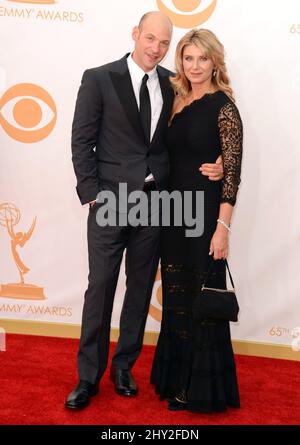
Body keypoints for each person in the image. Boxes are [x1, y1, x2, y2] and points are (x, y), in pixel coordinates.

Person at [66, 12, 223, 410]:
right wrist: (92, 194)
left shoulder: (175, 84)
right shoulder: (100, 77)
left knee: (138, 291)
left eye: (164, 43)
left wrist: (219, 163)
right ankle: (88, 377)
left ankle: (123, 368)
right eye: (150, 38)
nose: (156, 48)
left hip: (155, 204)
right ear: (136, 34)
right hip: (109, 202)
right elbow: (81, 139)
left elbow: (193, 134)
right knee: (99, 288)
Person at [151, 28, 243, 413]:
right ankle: (176, 379)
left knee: (200, 296)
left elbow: (233, 173)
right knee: (175, 295)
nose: (195, 66)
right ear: (181, 62)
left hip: (204, 216)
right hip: (172, 212)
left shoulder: (224, 107)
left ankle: (198, 388)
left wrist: (222, 229)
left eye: (202, 58)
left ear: (214, 61)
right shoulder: (175, 98)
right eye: (188, 58)